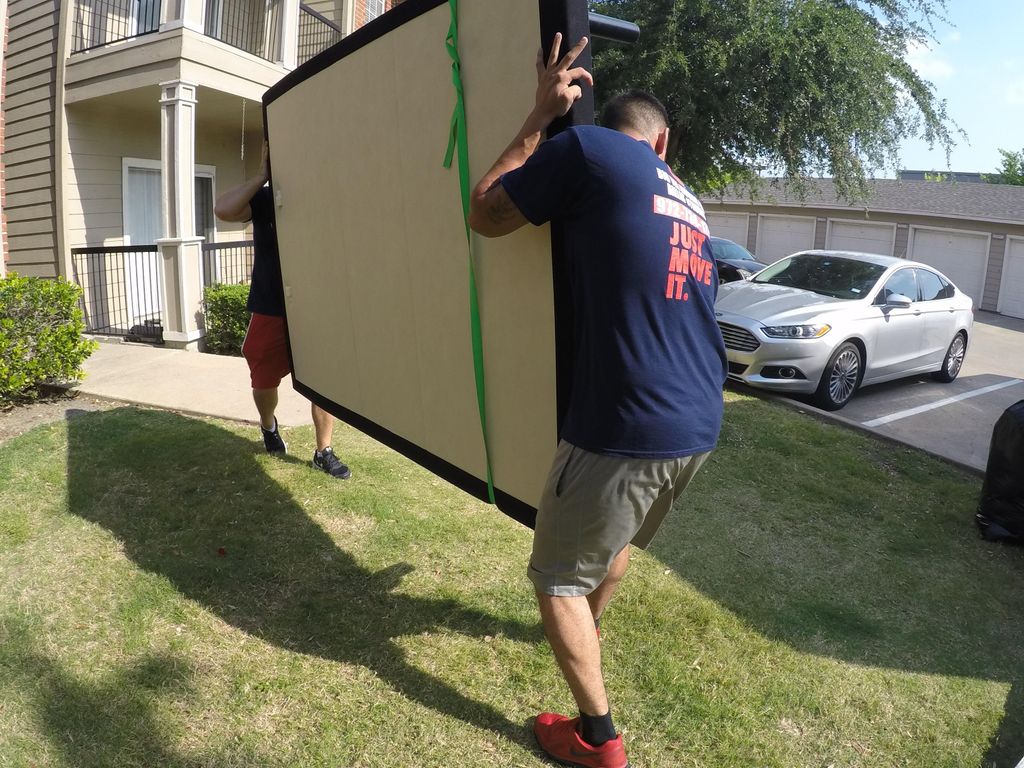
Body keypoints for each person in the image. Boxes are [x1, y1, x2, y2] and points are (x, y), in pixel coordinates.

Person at [468, 34, 727, 768]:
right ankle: (587, 628)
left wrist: (538, 117)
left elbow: (485, 213)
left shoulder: (587, 150)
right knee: (612, 546)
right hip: (698, 419)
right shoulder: (691, 204)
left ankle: (598, 737)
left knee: (555, 577)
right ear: (662, 143)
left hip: (627, 418)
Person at [214, 143, 351, 480]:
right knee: (263, 380)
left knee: (324, 379)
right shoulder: (265, 200)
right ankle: (268, 425)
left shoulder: (329, 202)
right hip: (271, 306)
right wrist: (261, 176)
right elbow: (223, 209)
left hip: (317, 305)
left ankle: (323, 451)